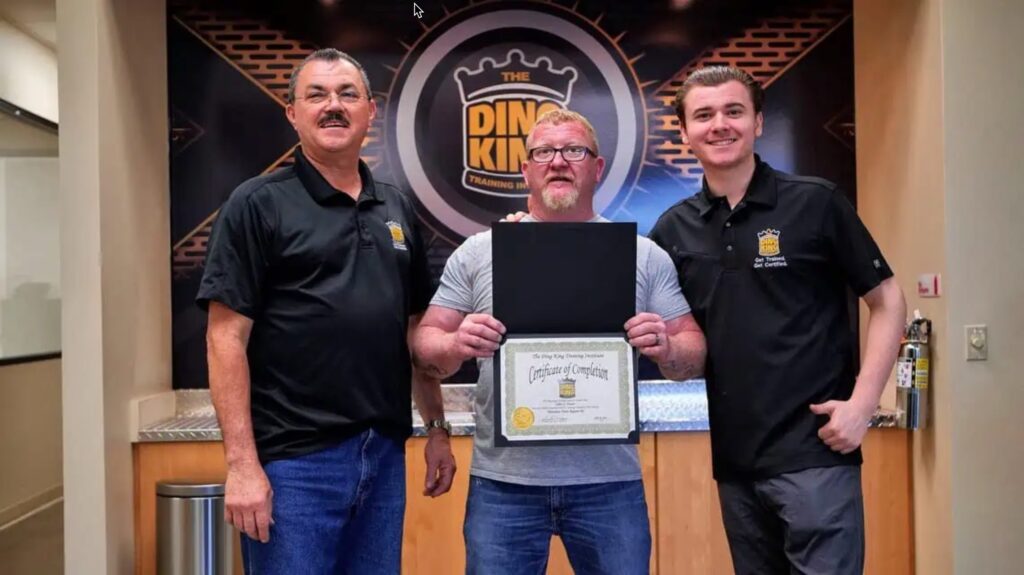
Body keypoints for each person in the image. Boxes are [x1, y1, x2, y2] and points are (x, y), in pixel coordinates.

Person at [413, 109, 706, 575]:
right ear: (526, 168)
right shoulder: (480, 251)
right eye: (544, 152)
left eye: (574, 150)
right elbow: (425, 344)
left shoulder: (644, 255)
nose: (558, 162)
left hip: (610, 484)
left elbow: (694, 351)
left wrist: (667, 349)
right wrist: (455, 344)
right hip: (503, 486)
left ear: (598, 167)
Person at [196, 48, 455, 574]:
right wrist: (243, 466)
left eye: (346, 94)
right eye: (316, 95)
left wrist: (436, 428)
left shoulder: (396, 206)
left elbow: (412, 332)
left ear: (369, 110)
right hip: (295, 466)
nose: (332, 106)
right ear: (292, 113)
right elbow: (225, 340)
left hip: (382, 457)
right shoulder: (257, 204)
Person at [649, 66, 907, 575]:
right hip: (736, 462)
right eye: (703, 115)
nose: (719, 124)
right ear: (684, 132)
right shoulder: (672, 228)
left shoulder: (815, 201)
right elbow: (619, 294)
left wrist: (863, 404)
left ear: (758, 122)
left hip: (816, 453)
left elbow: (888, 298)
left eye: (733, 111)